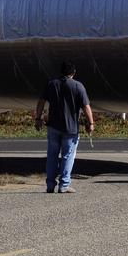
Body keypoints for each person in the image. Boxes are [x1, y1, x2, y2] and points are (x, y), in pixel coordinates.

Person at [34, 61, 94, 194]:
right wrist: (91, 123)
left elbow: (41, 102)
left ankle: (50, 184)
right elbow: (86, 107)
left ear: (61, 72)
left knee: (52, 155)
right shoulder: (78, 86)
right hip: (71, 128)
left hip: (53, 126)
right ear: (73, 73)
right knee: (68, 156)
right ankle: (64, 185)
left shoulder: (51, 84)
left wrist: (38, 119)